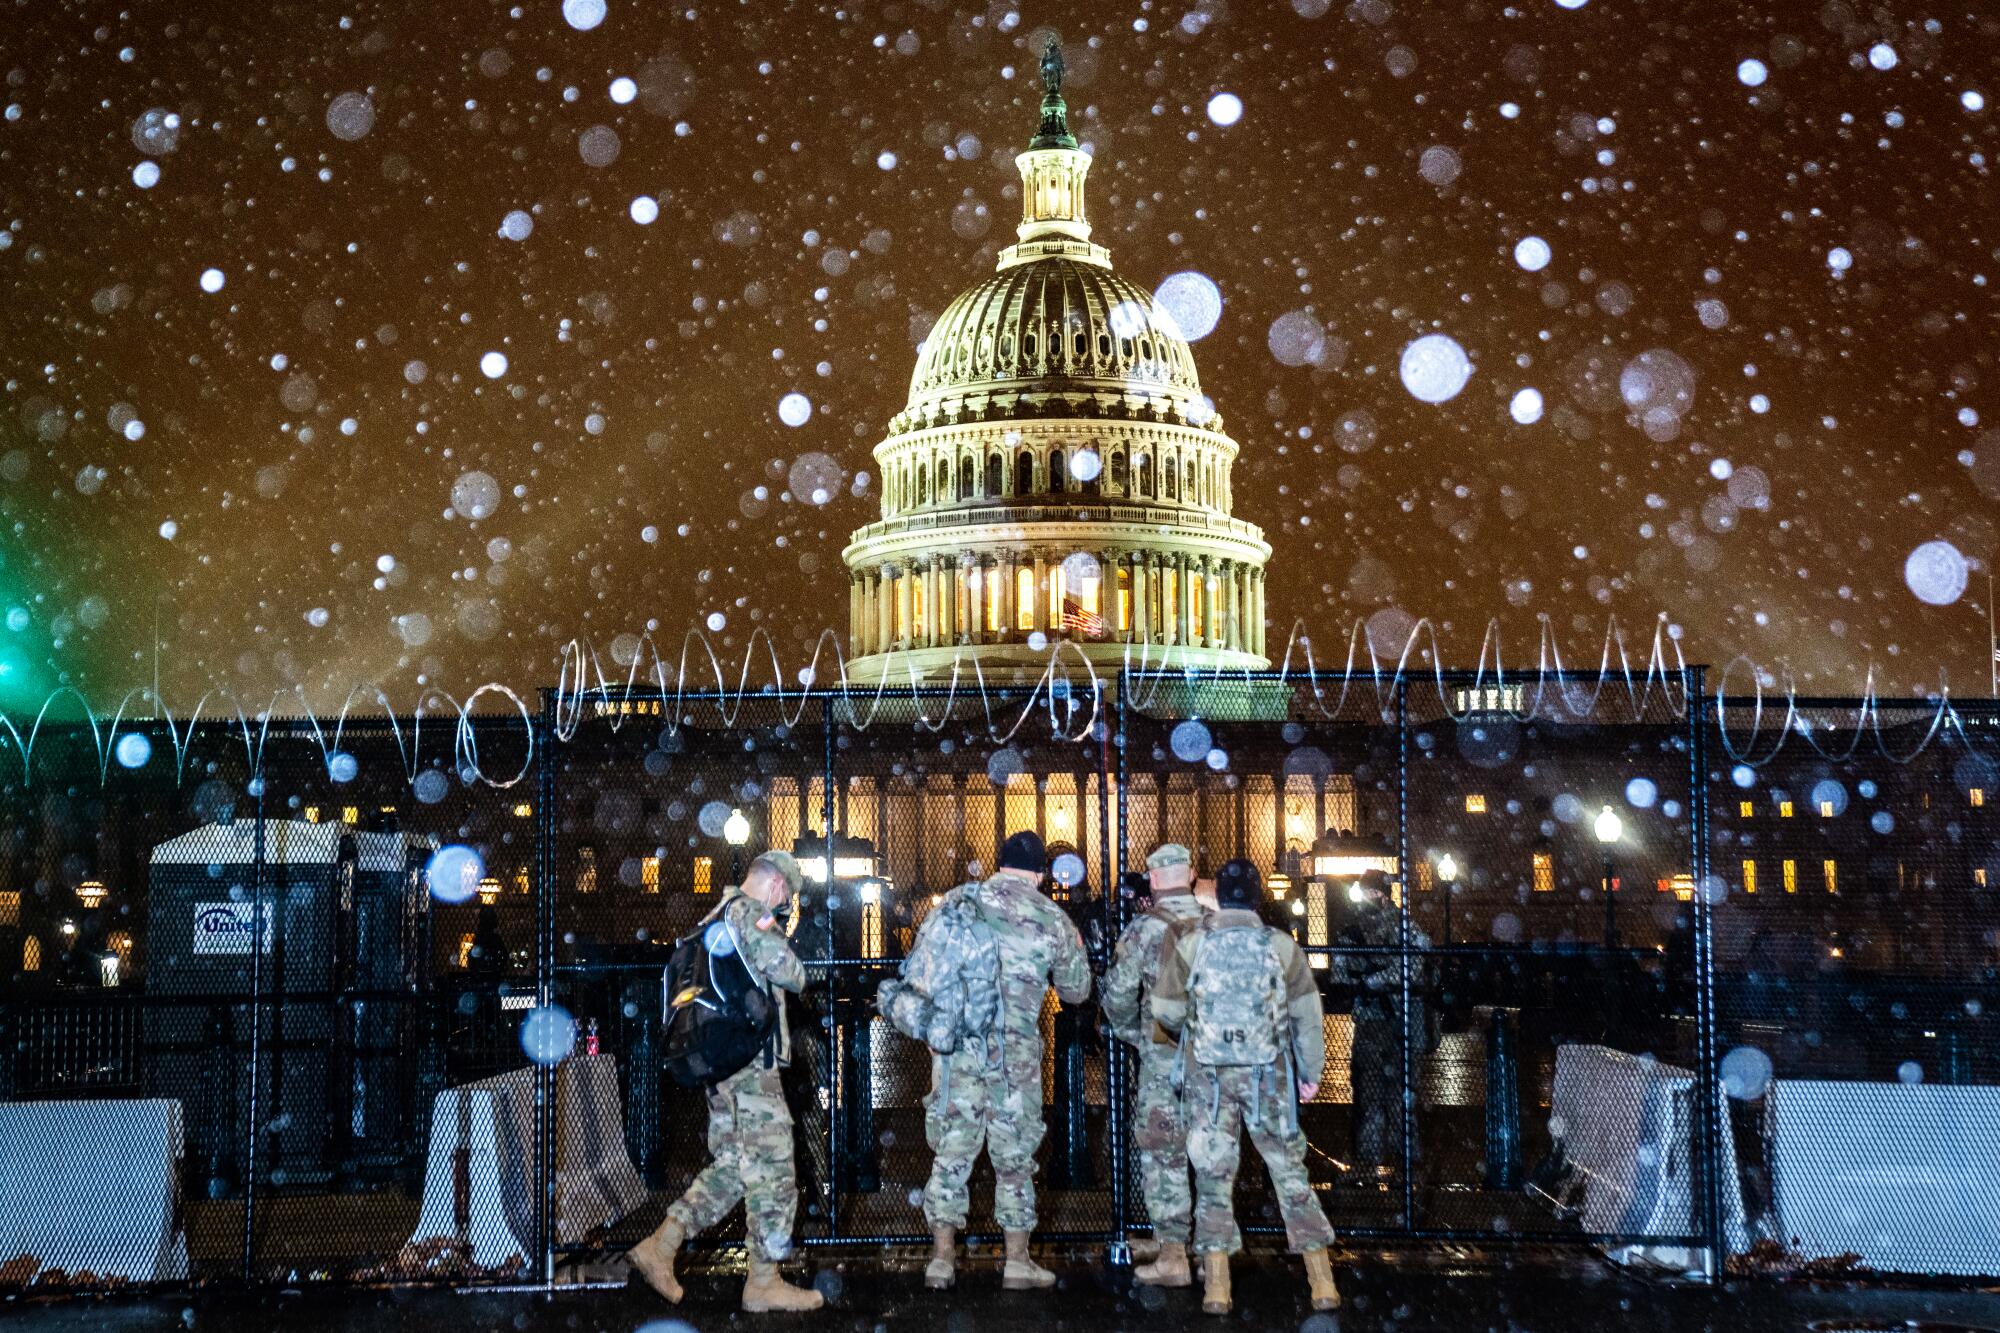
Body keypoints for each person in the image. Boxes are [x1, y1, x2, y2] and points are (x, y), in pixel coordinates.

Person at [628, 850, 824, 1313]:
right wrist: (784, 936)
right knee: (775, 1171)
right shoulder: (751, 916)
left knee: (737, 1165)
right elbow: (793, 975)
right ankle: (763, 1282)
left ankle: (662, 1245)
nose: (784, 905)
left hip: (719, 1068)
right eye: (786, 897)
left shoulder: (710, 918)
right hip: (751, 1069)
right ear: (778, 887)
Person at [1152, 858, 1340, 1316]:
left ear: (1219, 898)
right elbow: (1307, 1015)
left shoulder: (1193, 942)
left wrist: (1195, 1034)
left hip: (1210, 1077)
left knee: (1214, 1177)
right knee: (1289, 1171)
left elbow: (1165, 1009)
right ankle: (1322, 1282)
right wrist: (1309, 1072)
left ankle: (1217, 1287)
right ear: (1256, 898)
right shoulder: (1280, 945)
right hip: (1267, 1075)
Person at [921, 830, 1091, 1290]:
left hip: (959, 1048)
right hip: (1012, 1055)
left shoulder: (958, 904)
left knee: (952, 1151)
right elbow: (1076, 991)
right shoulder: (1050, 916)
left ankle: (941, 1260)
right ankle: (1017, 1262)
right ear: (1039, 874)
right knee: (1015, 1156)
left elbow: (923, 975)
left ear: (999, 864)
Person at [1100, 842, 1208, 1286]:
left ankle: (1173, 1253)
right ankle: (1210, 1254)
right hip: (1217, 1060)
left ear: (1152, 880)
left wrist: (1132, 1033)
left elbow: (1117, 997)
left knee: (1164, 1151)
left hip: (1164, 1053)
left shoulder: (1144, 930)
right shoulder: (1216, 924)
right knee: (1212, 1153)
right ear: (1192, 874)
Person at [1331, 867, 1433, 1184]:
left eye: (1368, 892)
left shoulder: (1397, 928)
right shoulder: (1397, 928)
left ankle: (1384, 1164)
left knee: (1385, 1095)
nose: (1364, 898)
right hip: (1385, 1020)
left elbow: (1413, 968)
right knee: (1385, 1094)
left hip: (1389, 1019)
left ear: (1378, 894)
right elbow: (1341, 975)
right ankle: (1397, 1165)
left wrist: (1371, 980)